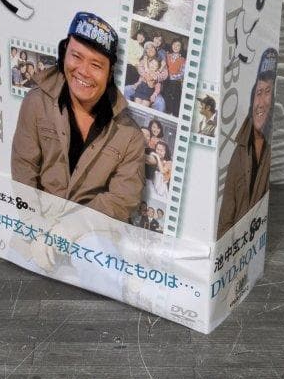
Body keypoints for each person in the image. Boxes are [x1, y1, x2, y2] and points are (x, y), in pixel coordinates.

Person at [11, 11, 146, 223]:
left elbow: (122, 200)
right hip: (34, 228)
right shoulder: (35, 103)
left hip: (93, 236)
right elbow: (23, 170)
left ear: (110, 73)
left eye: (96, 65)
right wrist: (34, 227)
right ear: (64, 53)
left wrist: (67, 230)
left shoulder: (131, 136)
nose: (83, 71)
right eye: (76, 56)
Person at [217, 48, 278, 239]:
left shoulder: (274, 148)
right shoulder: (239, 152)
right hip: (238, 248)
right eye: (258, 93)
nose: (261, 102)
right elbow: (226, 218)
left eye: (268, 92)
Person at [124, 41, 167, 112]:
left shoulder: (161, 61)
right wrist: (139, 82)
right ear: (145, 51)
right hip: (141, 87)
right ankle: (127, 112)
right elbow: (141, 71)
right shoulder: (143, 61)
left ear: (155, 49)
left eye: (152, 47)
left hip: (153, 90)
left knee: (160, 103)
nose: (150, 50)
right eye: (147, 48)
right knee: (126, 89)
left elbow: (165, 75)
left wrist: (156, 77)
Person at [164, 39, 186, 116]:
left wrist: (172, 77)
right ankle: (167, 110)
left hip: (175, 81)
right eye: (174, 44)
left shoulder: (183, 60)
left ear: (181, 48)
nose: (175, 47)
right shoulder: (167, 56)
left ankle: (173, 112)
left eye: (178, 45)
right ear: (171, 45)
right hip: (165, 80)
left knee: (174, 87)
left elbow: (182, 73)